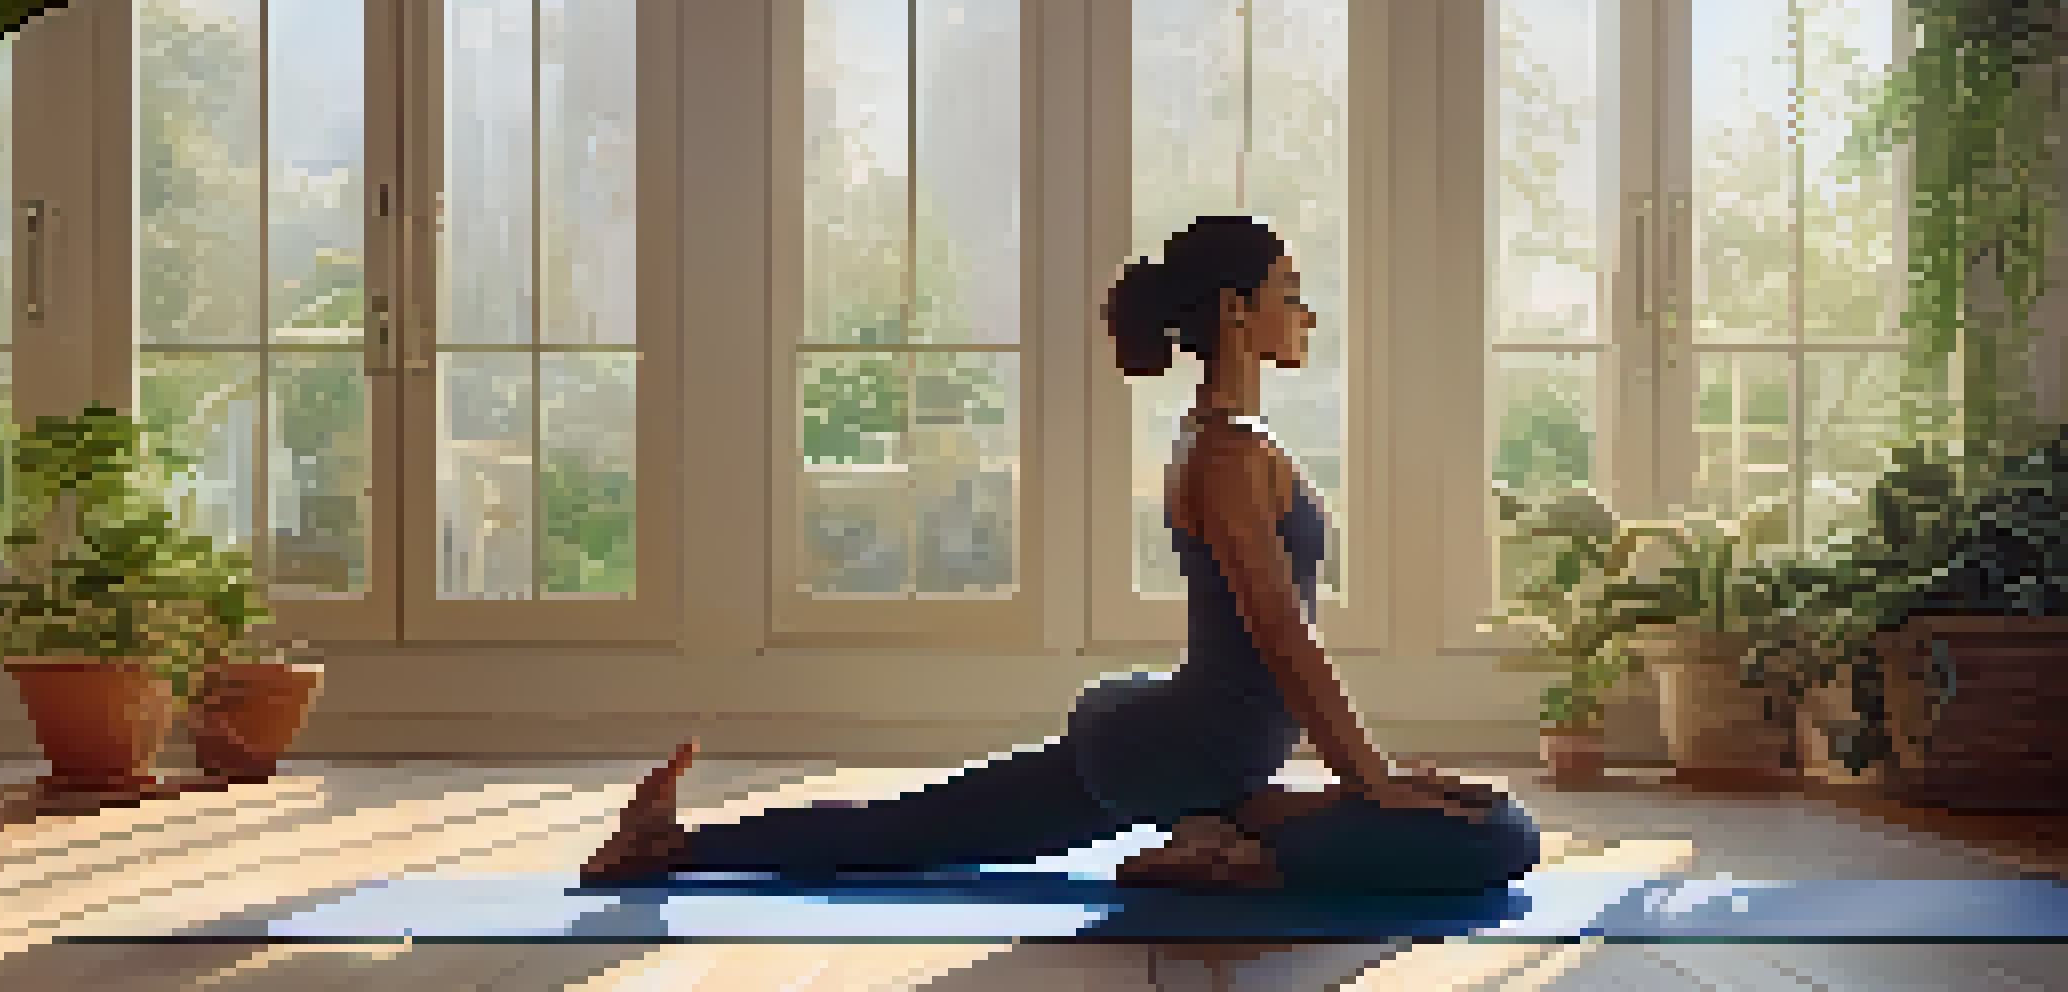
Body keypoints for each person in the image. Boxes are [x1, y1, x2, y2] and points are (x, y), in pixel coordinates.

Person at [583, 215, 1544, 893]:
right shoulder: (1224, 457)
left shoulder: (1236, 443)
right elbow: (1286, 643)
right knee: (1489, 844)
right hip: (1183, 748)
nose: (1308, 316)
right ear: (1236, 309)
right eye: (1291, 296)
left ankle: (1217, 835)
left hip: (1213, 753)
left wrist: (1373, 774)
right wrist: (1369, 779)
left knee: (1494, 820)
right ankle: (672, 847)